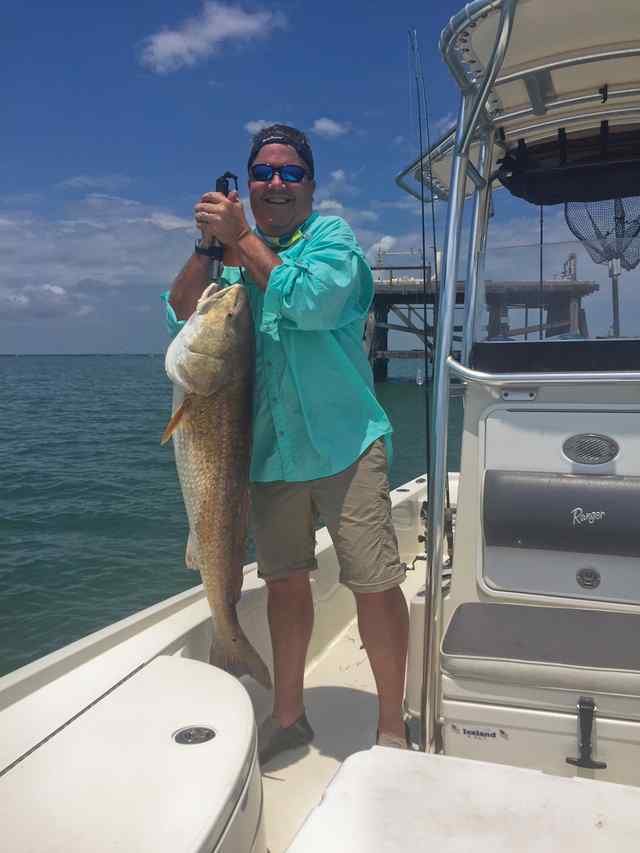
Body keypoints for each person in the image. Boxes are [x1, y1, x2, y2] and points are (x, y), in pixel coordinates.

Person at [164, 124, 410, 764]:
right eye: (264, 172)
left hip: (345, 443)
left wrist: (241, 238)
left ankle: (391, 726)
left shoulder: (332, 240)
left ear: (310, 184)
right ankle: (290, 715)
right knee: (283, 585)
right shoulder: (230, 262)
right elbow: (181, 312)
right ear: (248, 184)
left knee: (374, 583)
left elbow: (311, 303)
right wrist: (206, 247)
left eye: (290, 172)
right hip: (270, 453)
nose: (276, 182)